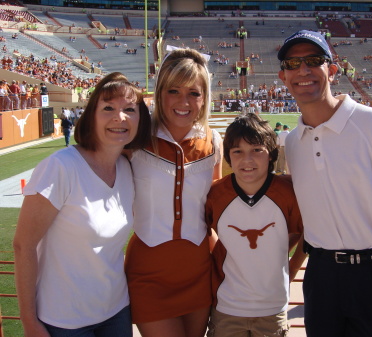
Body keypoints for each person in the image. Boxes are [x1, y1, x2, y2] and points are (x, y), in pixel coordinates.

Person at [277, 30, 372, 337]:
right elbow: (309, 218)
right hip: (322, 276)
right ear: (283, 76)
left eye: (313, 61)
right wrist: (289, 268)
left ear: (332, 71)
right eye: (293, 63)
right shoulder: (293, 143)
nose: (303, 70)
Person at [13, 72, 151, 337]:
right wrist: (29, 321)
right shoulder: (61, 167)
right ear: (92, 115)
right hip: (63, 320)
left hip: (116, 311)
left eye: (129, 110)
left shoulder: (126, 168)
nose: (119, 117)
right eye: (108, 108)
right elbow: (23, 245)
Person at [124, 48, 223, 337]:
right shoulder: (136, 137)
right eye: (174, 91)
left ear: (204, 97)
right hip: (148, 275)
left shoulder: (213, 141)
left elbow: (212, 212)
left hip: (199, 272)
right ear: (159, 93)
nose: (184, 102)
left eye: (194, 92)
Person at [205, 113, 305, 337]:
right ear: (229, 157)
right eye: (238, 151)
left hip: (272, 307)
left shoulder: (288, 194)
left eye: (256, 150)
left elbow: (306, 230)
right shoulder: (215, 194)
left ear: (271, 154)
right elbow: (200, 232)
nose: (247, 160)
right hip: (227, 306)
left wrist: (292, 268)